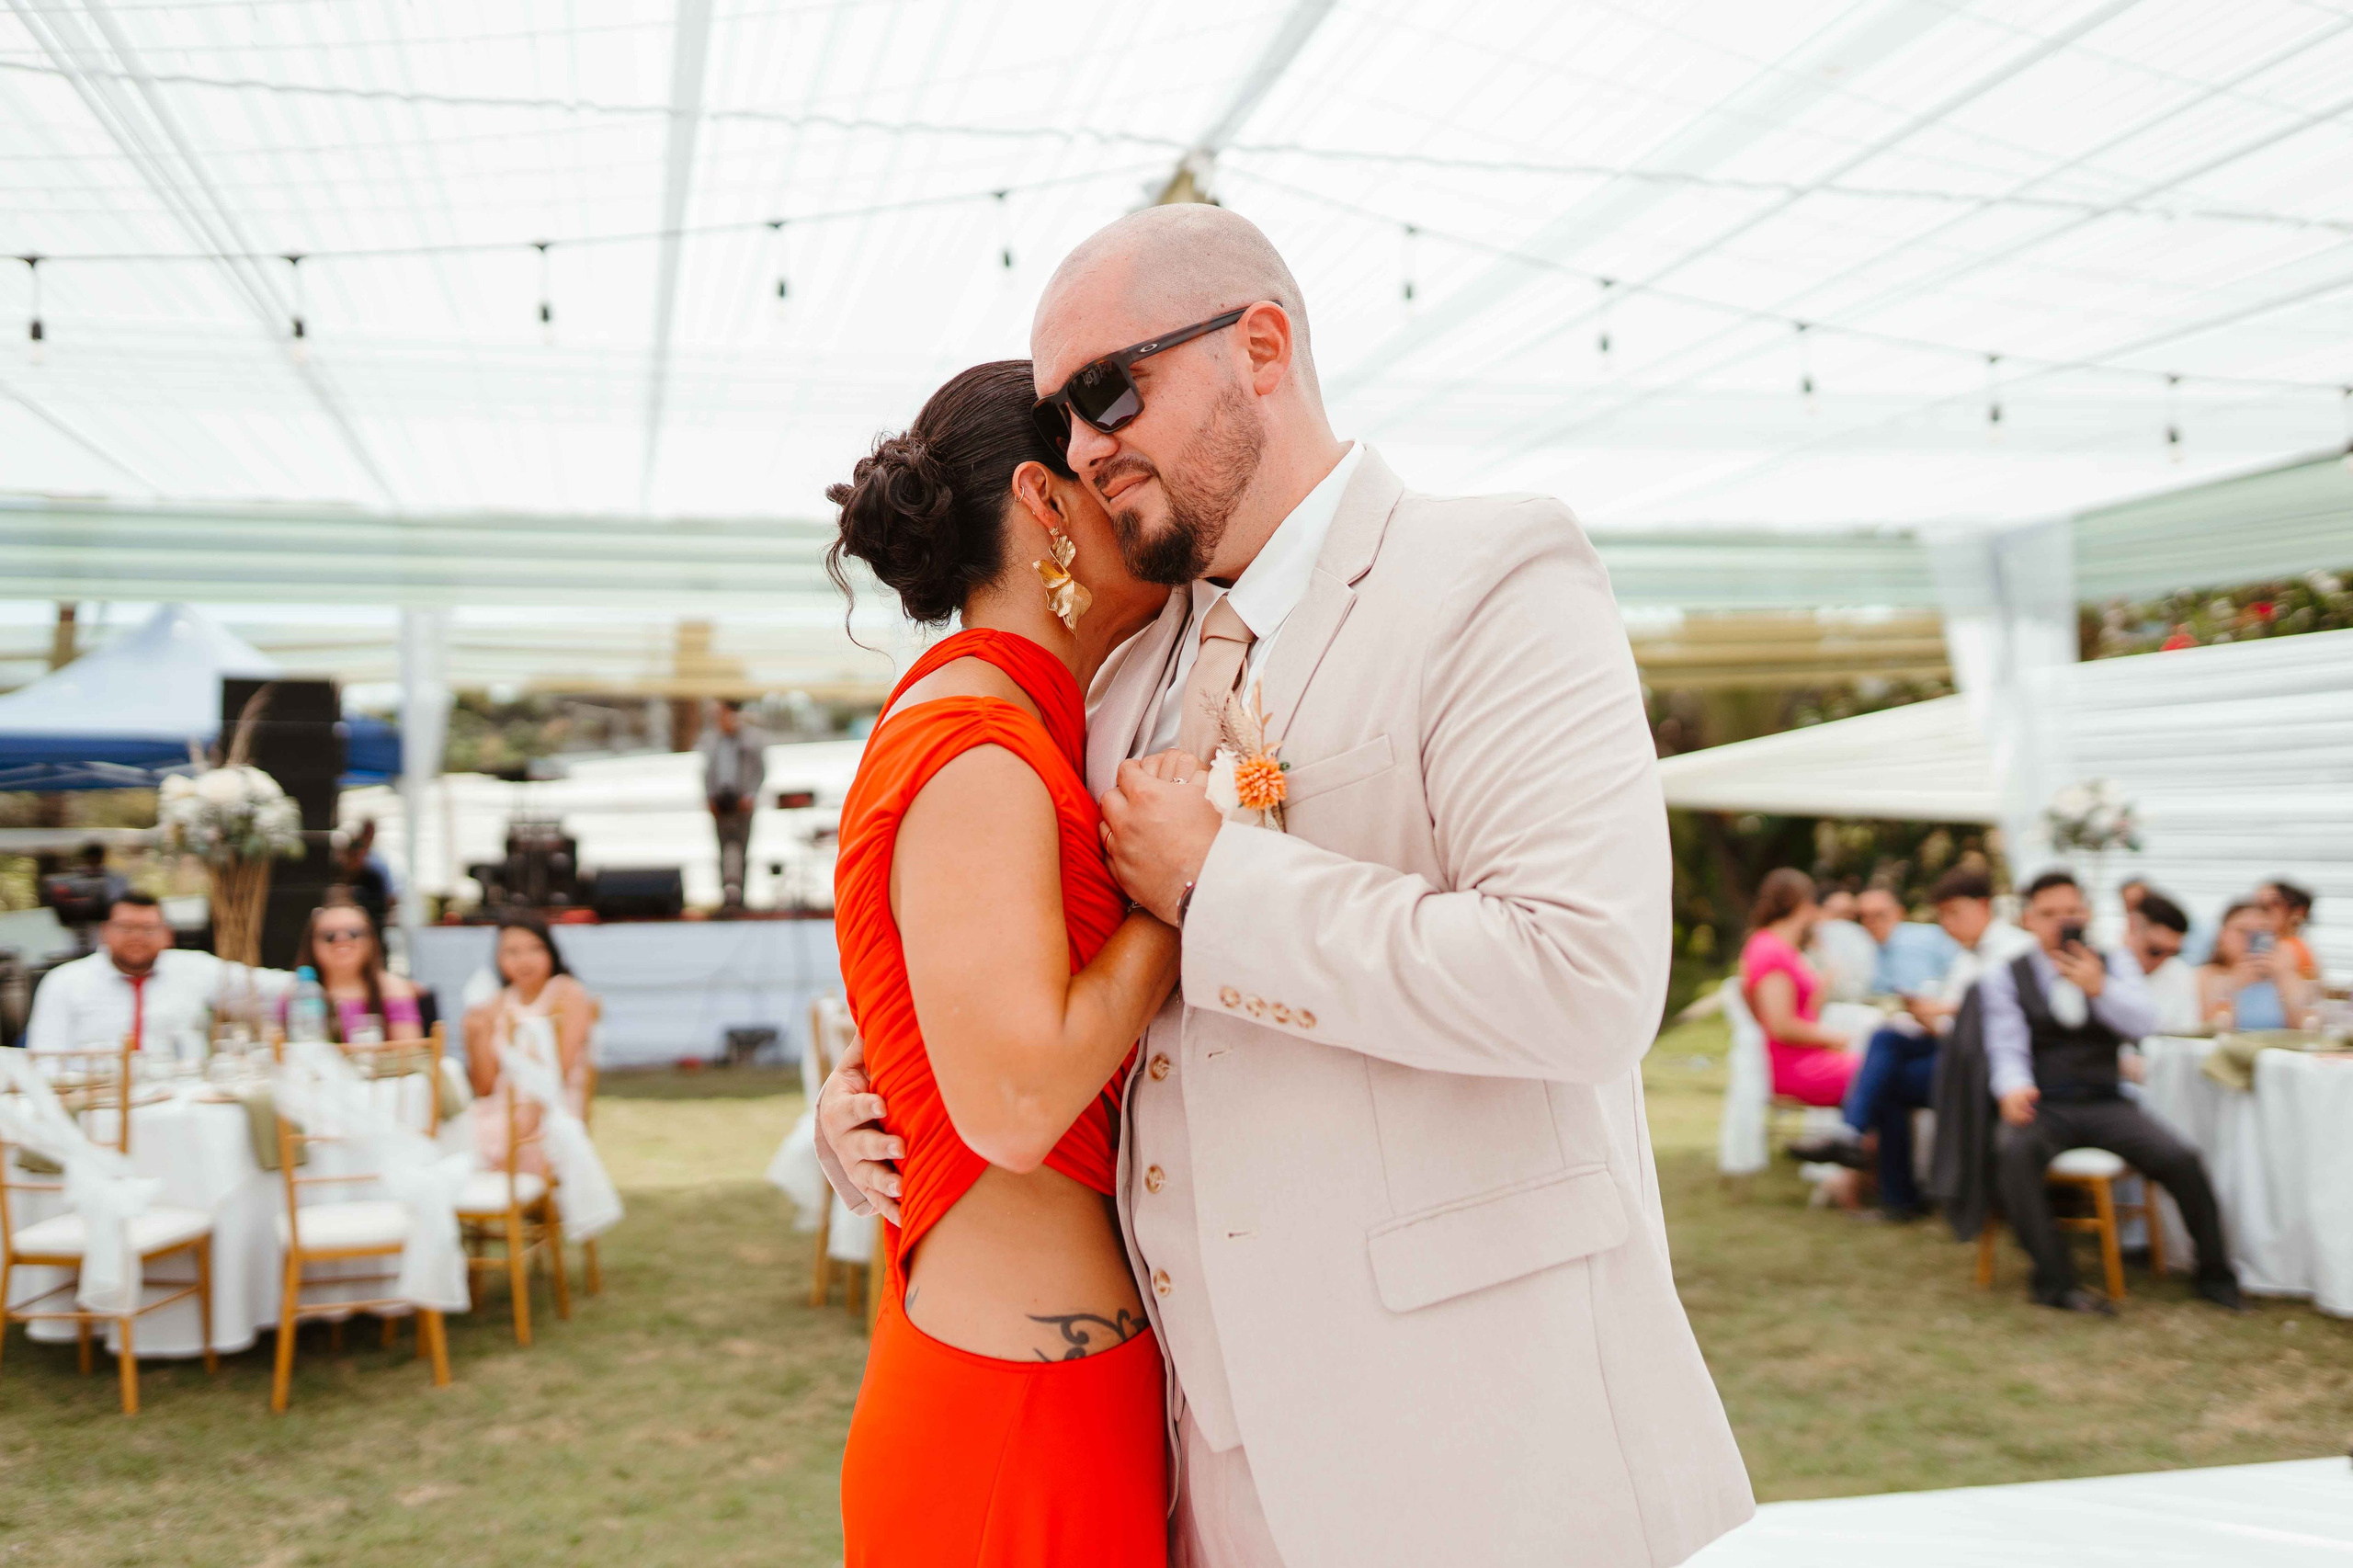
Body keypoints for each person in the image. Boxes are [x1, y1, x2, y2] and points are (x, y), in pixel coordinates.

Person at [819, 205, 1751, 1567]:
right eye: (1062, 418)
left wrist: (1222, 887)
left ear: (1260, 345)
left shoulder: (1490, 573)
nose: (1080, 446)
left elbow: (1587, 978)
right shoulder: (1118, 678)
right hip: (1209, 1475)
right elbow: (981, 936)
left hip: (1486, 1459)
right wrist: (873, 1095)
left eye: (1104, 390)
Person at [825, 361, 1186, 1567]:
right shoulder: (980, 746)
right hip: (1020, 1406)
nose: (1146, 502)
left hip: (1036, 1378)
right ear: (1044, 502)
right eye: (1113, 477)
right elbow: (1020, 1100)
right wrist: (1180, 903)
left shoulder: (1010, 727)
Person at [1981, 870, 2240, 1313]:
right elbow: (2006, 1045)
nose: (2062, 922)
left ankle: (2216, 1275)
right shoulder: (2007, 975)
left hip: (2105, 1101)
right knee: (2013, 1154)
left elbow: (2144, 1023)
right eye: (2049, 914)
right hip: (2047, 1103)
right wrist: (2013, 1088)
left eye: (2072, 912)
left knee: (2182, 1160)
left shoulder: (2115, 964)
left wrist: (2100, 988)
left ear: (2087, 915)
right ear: (2028, 918)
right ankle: (2056, 1282)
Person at [1842, 867, 2030, 1220]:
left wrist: (1944, 1012)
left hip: (1991, 1064)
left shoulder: (2015, 950)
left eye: (1953, 913)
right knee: (1886, 1039)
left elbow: (2007, 1016)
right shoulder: (1964, 958)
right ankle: (1864, 1151)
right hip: (1956, 1050)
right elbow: (1950, 1025)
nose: (1947, 924)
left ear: (1983, 906)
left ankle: (1863, 1151)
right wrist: (1926, 1016)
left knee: (1888, 1082)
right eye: (1942, 915)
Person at [23, 891, 283, 1054]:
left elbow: (271, 989)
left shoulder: (193, 968)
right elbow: (45, 1059)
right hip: (97, 1110)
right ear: (105, 932)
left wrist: (317, 980)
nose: (137, 937)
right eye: (126, 928)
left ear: (168, 935)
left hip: (183, 1108)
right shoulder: (65, 981)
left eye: (148, 929)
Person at [461, 913, 594, 1176]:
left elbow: (559, 1072)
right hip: (502, 1105)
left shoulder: (567, 993)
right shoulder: (498, 1002)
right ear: (499, 959)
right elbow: (485, 1086)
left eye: (534, 949)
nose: (524, 960)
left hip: (553, 1104)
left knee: (489, 1142)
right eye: (512, 951)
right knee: (456, 1131)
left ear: (550, 952)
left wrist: (528, 1120)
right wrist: (476, 1034)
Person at [1741, 869, 1859, 1108]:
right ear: (1805, 905)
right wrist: (1831, 1037)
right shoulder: (1771, 951)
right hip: (1795, 1065)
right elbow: (1780, 1025)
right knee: (1878, 1074)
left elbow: (1803, 1009)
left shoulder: (1781, 948)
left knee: (1880, 1072)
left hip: (1806, 1057)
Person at [290, 892, 422, 1043]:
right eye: (329, 935)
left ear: (371, 940)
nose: (341, 940)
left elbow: (409, 1054)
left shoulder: (393, 989)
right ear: (311, 943)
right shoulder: (297, 993)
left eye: (353, 933)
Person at [2196, 899, 2315, 1032]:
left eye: (2262, 931)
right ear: (2222, 935)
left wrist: (2284, 979)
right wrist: (2234, 986)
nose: (2251, 939)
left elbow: (2307, 1029)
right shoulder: (2204, 975)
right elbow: (2208, 1029)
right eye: (2243, 931)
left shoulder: (2287, 976)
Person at [696, 699, 767, 912]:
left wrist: (751, 795)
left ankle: (741, 896)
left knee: (742, 848)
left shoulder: (750, 740)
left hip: (742, 801)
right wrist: (709, 796)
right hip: (720, 801)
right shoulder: (712, 741)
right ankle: (726, 895)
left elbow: (760, 770)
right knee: (722, 849)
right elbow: (706, 771)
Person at [1859, 885, 1959, 997]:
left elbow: (1916, 996)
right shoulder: (1874, 946)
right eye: (1864, 916)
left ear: (1900, 912)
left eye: (1879, 915)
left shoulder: (1910, 941)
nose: (1871, 922)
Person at [2125, 890, 2200, 1034]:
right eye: (2155, 951)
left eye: (2173, 953)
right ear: (2132, 926)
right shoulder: (2102, 968)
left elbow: (2186, 1037)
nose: (2162, 961)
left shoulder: (2181, 974)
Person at [2256, 879, 2322, 983]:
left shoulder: (2287, 948)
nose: (2261, 911)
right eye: (2256, 904)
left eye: (2274, 903)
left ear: (2299, 911)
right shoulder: (2274, 945)